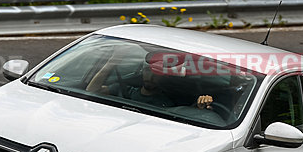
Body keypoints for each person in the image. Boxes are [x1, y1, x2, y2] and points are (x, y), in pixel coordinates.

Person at [86, 48, 214, 109]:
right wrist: (112, 62)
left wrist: (203, 106)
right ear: (142, 71)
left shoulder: (171, 102)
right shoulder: (124, 90)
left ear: (164, 76)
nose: (150, 76)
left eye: (156, 73)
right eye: (148, 70)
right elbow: (91, 91)